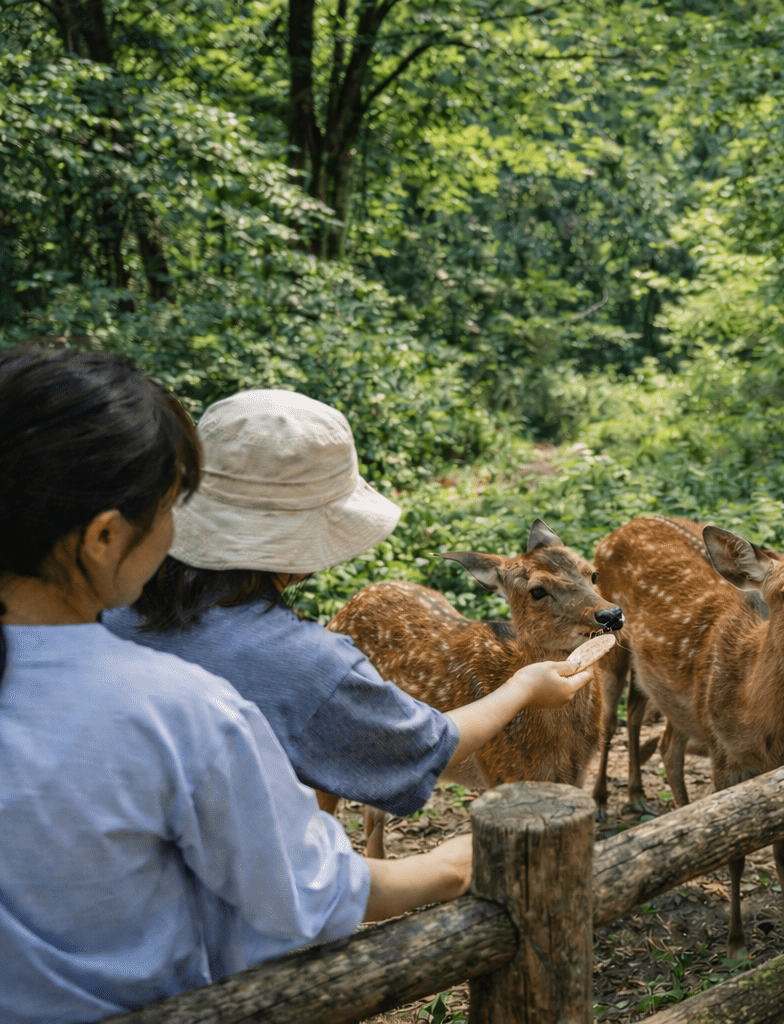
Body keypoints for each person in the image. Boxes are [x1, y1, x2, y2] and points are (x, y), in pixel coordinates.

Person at [0, 348, 485, 1021]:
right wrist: (451, 866)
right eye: (168, 506)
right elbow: (302, 893)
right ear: (105, 537)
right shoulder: (186, 714)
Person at [101, 388, 590, 826]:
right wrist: (524, 688)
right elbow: (420, 747)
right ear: (307, 546)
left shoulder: (107, 610)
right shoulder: (306, 663)